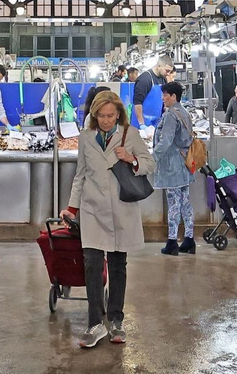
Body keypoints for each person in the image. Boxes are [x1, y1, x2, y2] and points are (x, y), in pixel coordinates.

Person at [66, 90, 152, 348]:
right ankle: (95, 323)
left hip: (120, 209)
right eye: (101, 116)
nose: (105, 120)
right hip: (92, 209)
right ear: (94, 115)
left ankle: (116, 320)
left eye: (110, 115)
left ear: (118, 115)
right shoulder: (86, 137)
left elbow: (150, 163)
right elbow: (80, 174)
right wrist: (71, 209)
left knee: (117, 264)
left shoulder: (130, 134)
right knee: (92, 264)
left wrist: (132, 159)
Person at [151, 81, 195, 255]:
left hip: (172, 165)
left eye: (165, 95)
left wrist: (152, 158)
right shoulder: (184, 112)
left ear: (173, 96)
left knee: (174, 202)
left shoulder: (171, 115)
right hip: (185, 163)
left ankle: (172, 241)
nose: (163, 98)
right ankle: (189, 239)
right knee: (185, 201)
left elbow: (166, 141)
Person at [132, 59, 173, 126]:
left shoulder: (163, 79)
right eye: (167, 71)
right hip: (141, 123)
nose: (168, 74)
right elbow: (137, 103)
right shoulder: (145, 79)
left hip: (156, 122)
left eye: (170, 72)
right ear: (159, 66)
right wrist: (141, 124)